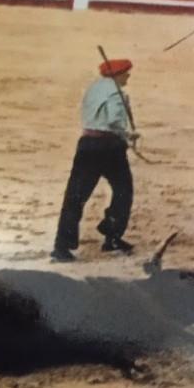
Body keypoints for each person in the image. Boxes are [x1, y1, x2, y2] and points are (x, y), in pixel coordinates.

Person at [51, 58, 137, 262]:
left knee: (75, 196)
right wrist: (128, 135)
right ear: (117, 75)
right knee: (123, 190)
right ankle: (112, 235)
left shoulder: (94, 88)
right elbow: (114, 120)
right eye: (126, 73)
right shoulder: (117, 93)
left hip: (87, 144)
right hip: (109, 147)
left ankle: (62, 246)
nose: (128, 76)